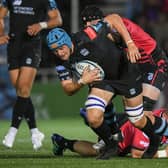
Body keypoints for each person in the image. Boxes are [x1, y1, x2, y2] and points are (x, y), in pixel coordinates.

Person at [46, 27, 168, 159]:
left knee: (137, 119)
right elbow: (68, 89)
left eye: (61, 48)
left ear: (68, 42)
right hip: (104, 80)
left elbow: (114, 18)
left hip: (125, 74)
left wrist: (129, 43)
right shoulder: (60, 61)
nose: (59, 53)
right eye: (55, 51)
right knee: (92, 116)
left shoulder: (84, 36)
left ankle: (153, 138)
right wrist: (81, 81)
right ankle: (111, 144)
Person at [80, 5, 168, 157]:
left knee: (144, 114)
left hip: (153, 63)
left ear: (100, 21)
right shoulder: (97, 38)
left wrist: (130, 43)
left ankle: (158, 137)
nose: (89, 27)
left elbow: (114, 18)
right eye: (86, 24)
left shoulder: (109, 22)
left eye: (92, 23)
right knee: (105, 97)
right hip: (133, 68)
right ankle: (113, 134)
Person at [0, 0, 62, 150]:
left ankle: (12, 131)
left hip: (31, 47)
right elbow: (0, 16)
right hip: (13, 46)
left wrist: (41, 25)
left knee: (24, 90)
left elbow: (58, 19)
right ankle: (35, 131)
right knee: (22, 93)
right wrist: (1, 34)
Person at [51, 108, 168, 158]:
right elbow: (136, 154)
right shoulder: (150, 124)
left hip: (123, 121)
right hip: (120, 133)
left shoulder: (161, 118)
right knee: (98, 150)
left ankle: (97, 119)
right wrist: (164, 154)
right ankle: (62, 142)